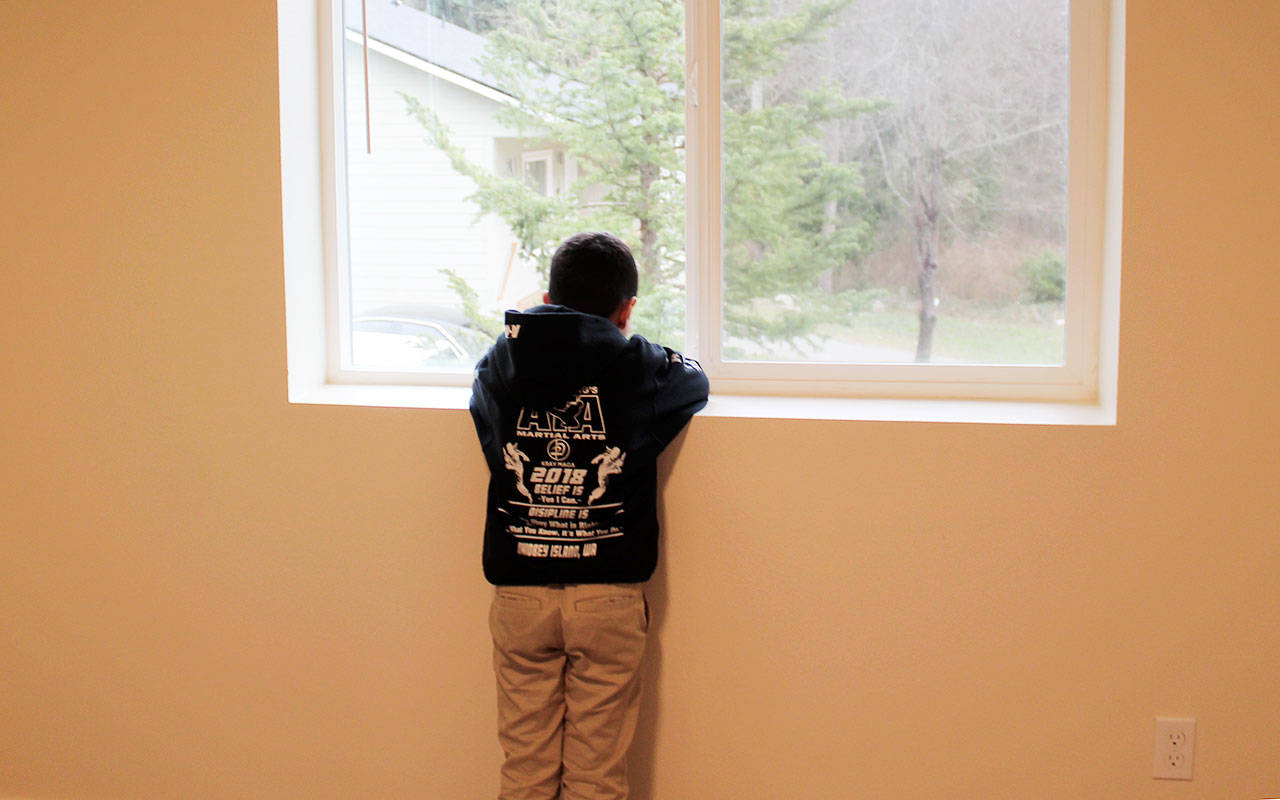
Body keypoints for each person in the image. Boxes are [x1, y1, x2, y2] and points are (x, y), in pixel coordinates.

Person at [470, 231, 709, 800]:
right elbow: (693, 379)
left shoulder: (504, 357)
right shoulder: (637, 364)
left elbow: (485, 419)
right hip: (607, 596)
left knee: (524, 769)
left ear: (547, 298)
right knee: (596, 777)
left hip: (520, 592)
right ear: (626, 309)